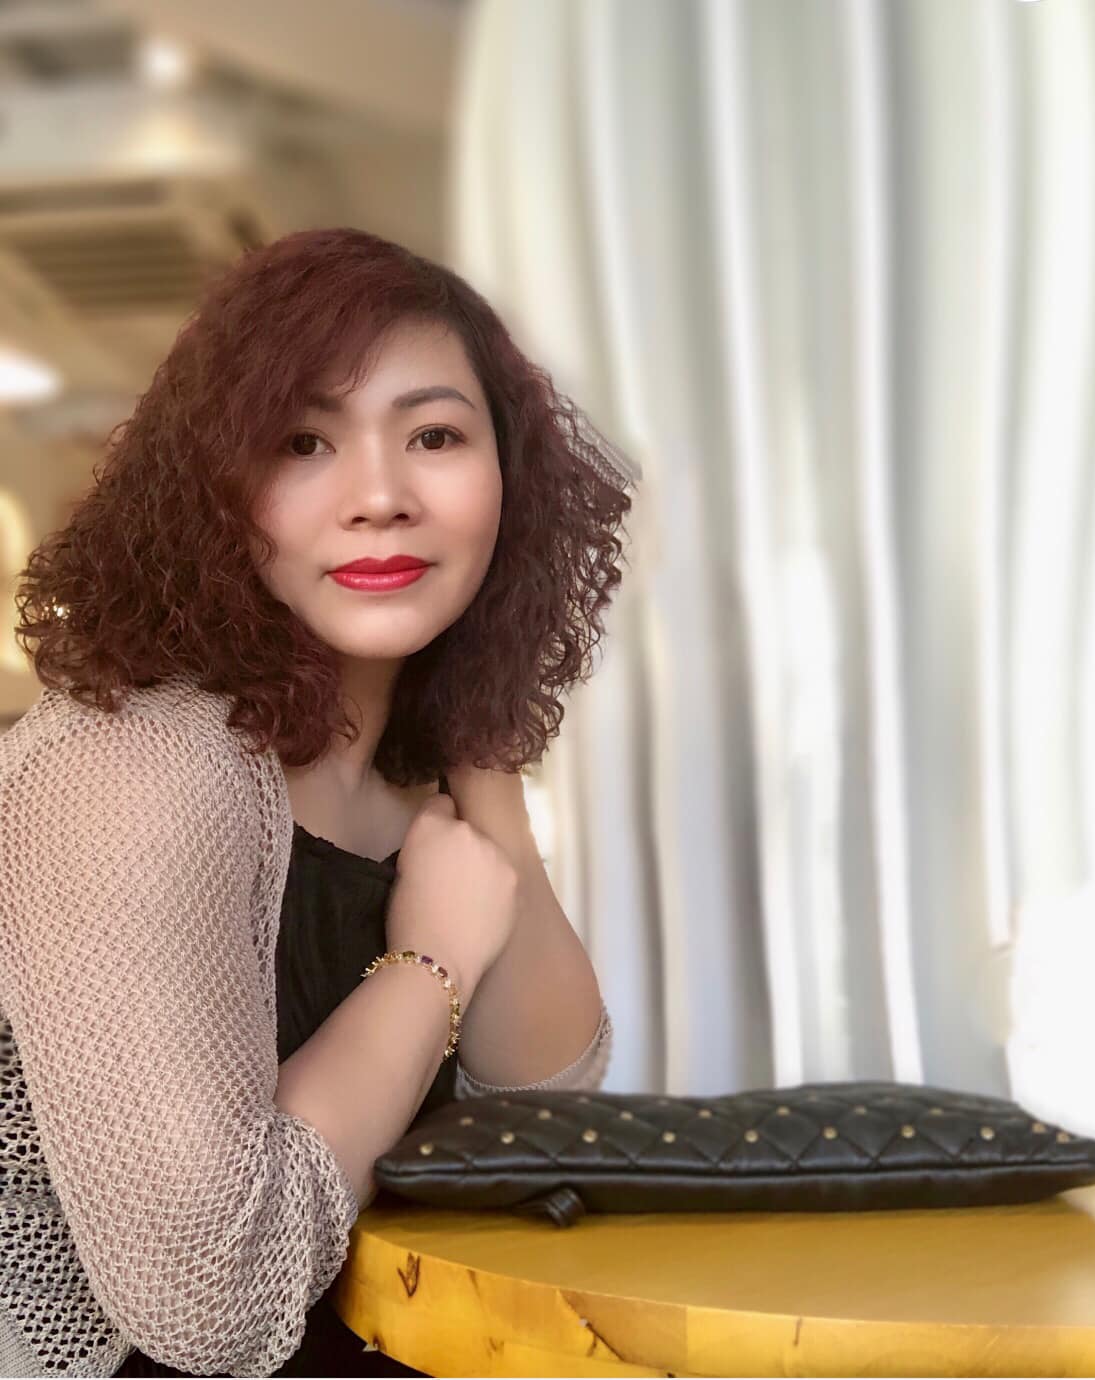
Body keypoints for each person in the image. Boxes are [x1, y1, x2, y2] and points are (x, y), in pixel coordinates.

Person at [0, 227, 637, 1377]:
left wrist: (483, 742)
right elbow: (212, 1298)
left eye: (435, 436)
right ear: (213, 491)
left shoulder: (414, 761)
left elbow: (540, 1104)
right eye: (303, 442)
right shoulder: (138, 760)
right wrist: (431, 963)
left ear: (512, 484)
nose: (381, 498)